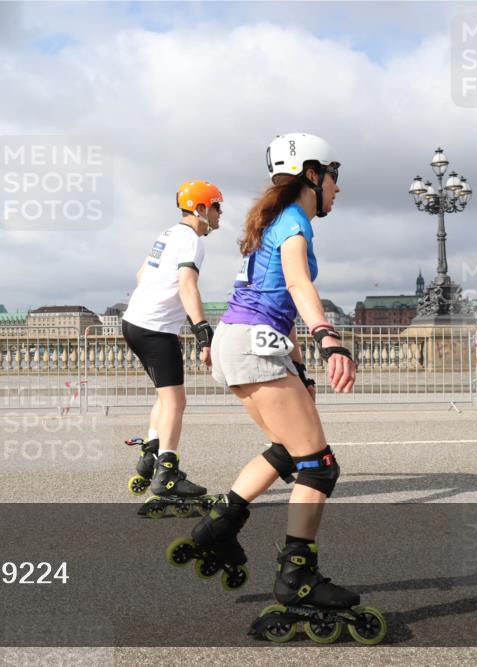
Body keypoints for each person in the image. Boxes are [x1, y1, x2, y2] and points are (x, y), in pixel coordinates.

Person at [169, 133, 368, 617]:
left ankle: (220, 526)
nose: (339, 189)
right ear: (313, 175)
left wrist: (298, 367)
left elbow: (274, 300)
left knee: (288, 449)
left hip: (239, 343)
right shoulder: (296, 221)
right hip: (254, 343)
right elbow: (296, 284)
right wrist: (329, 338)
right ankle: (297, 577)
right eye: (334, 176)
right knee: (319, 466)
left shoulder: (272, 219)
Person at [121, 181, 222, 509]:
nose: (221, 215)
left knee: (165, 397)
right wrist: (202, 332)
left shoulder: (167, 235)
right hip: (155, 329)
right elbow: (187, 284)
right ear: (201, 209)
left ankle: (150, 453)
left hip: (134, 322)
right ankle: (167, 472)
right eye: (217, 207)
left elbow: (140, 274)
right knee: (177, 401)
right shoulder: (192, 240)